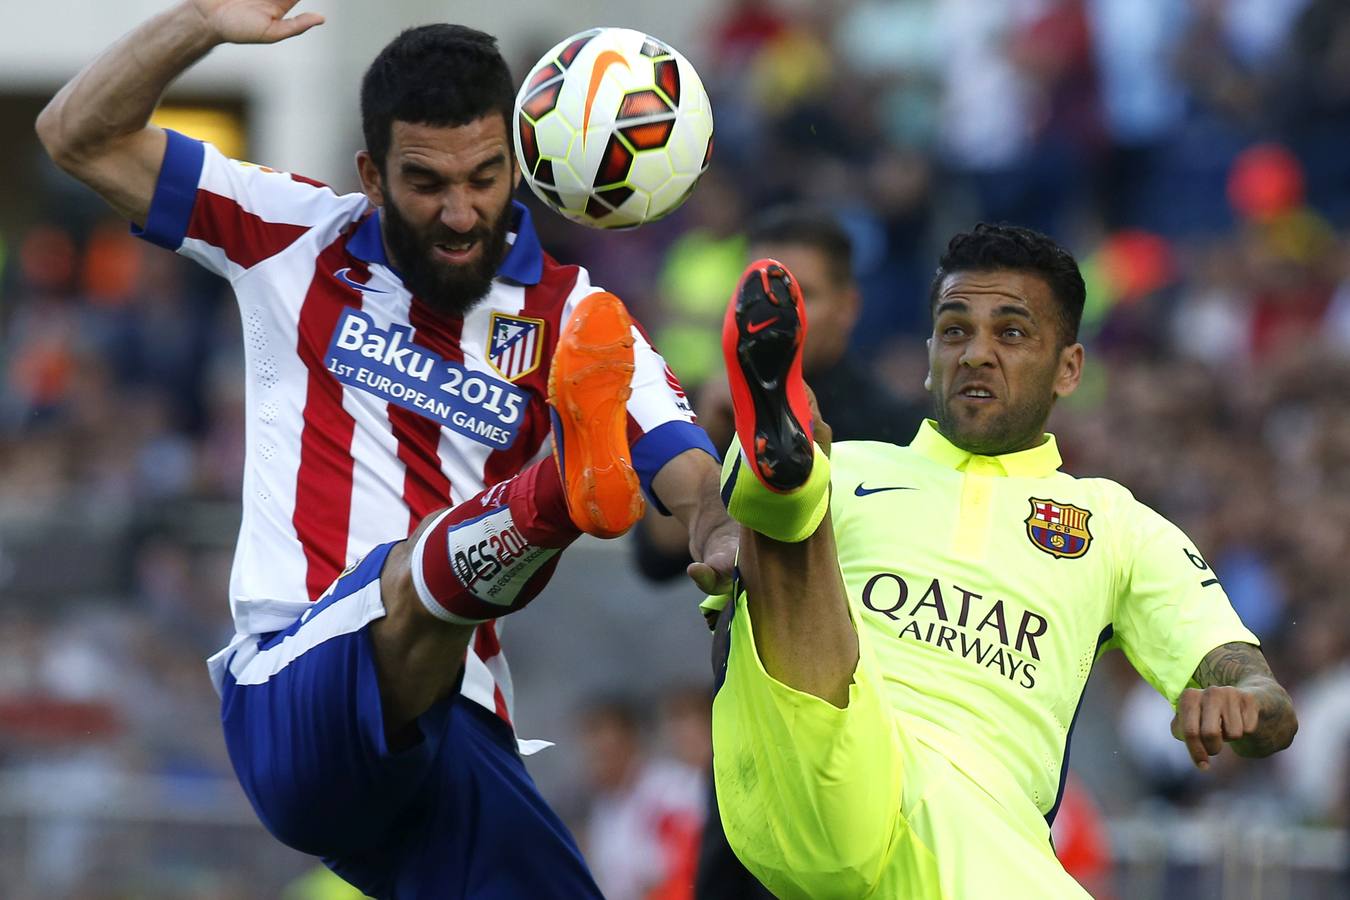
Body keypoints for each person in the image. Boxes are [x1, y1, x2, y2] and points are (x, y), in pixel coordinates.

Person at [36, 3, 735, 896]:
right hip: (295, 687)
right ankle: (559, 497)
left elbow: (685, 468)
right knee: (403, 577)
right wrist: (199, 23)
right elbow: (74, 136)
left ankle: (561, 494)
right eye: (425, 182)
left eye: (485, 178)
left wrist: (719, 533)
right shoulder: (291, 234)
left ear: (517, 164)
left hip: (458, 730)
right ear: (370, 174)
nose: (459, 212)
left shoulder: (576, 317)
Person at [707, 224, 1299, 898]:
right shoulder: (854, 468)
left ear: (1069, 367)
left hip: (980, 846)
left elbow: (1266, 699)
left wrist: (1244, 702)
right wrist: (723, 547)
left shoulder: (1117, 524)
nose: (976, 354)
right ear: (929, 352)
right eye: (954, 331)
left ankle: (775, 486)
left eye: (1011, 334)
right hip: (819, 785)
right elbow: (709, 577)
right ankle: (780, 484)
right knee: (803, 493)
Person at [635, 206, 924, 583]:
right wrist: (708, 432)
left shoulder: (899, 432)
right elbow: (655, 560)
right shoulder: (704, 406)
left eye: (801, 294)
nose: (779, 313)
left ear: (847, 307)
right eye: (758, 293)